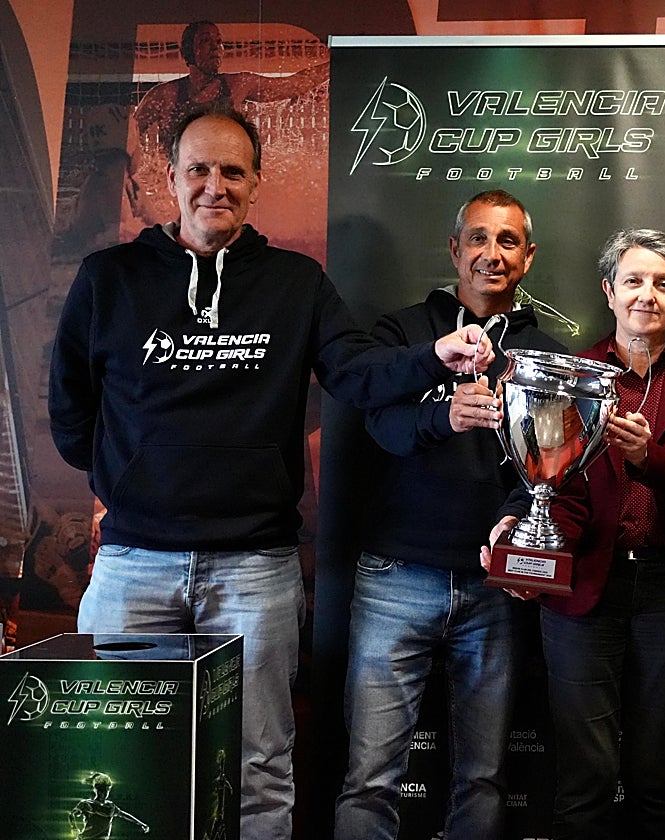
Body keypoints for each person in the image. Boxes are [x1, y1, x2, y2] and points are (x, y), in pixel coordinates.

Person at [48, 106, 493, 840]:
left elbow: (355, 372)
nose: (214, 186)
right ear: (170, 178)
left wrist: (432, 358)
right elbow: (71, 408)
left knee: (257, 767)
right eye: (198, 169)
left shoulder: (295, 282)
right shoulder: (110, 278)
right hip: (134, 564)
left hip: (254, 569)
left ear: (255, 182)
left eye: (232, 171)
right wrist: (126, 478)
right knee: (116, 761)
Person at [334, 189, 565, 839]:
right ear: (455, 249)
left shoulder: (544, 355)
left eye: (508, 241)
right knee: (370, 775)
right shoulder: (403, 332)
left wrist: (517, 518)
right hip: (395, 576)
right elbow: (380, 426)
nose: (492, 254)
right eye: (479, 238)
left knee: (483, 777)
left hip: (495, 587)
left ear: (527, 257)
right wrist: (444, 417)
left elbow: (547, 465)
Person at [531, 228, 665, 839]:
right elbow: (551, 477)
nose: (648, 295)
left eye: (663, 284)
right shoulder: (570, 374)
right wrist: (528, 537)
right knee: (584, 777)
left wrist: (648, 458)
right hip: (586, 585)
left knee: (656, 773)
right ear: (609, 291)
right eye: (634, 281)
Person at [126, 21, 329, 225]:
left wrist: (338, 60)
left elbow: (293, 85)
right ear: (188, 51)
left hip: (225, 189)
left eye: (219, 42)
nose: (215, 47)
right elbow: (127, 137)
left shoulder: (237, 85)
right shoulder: (165, 95)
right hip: (182, 193)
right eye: (205, 41)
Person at [68, 772, 150, 838]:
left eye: (107, 790)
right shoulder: (87, 804)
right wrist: (74, 827)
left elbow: (125, 815)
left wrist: (141, 824)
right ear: (98, 791)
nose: (105, 793)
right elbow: (72, 814)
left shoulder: (111, 806)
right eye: (105, 790)